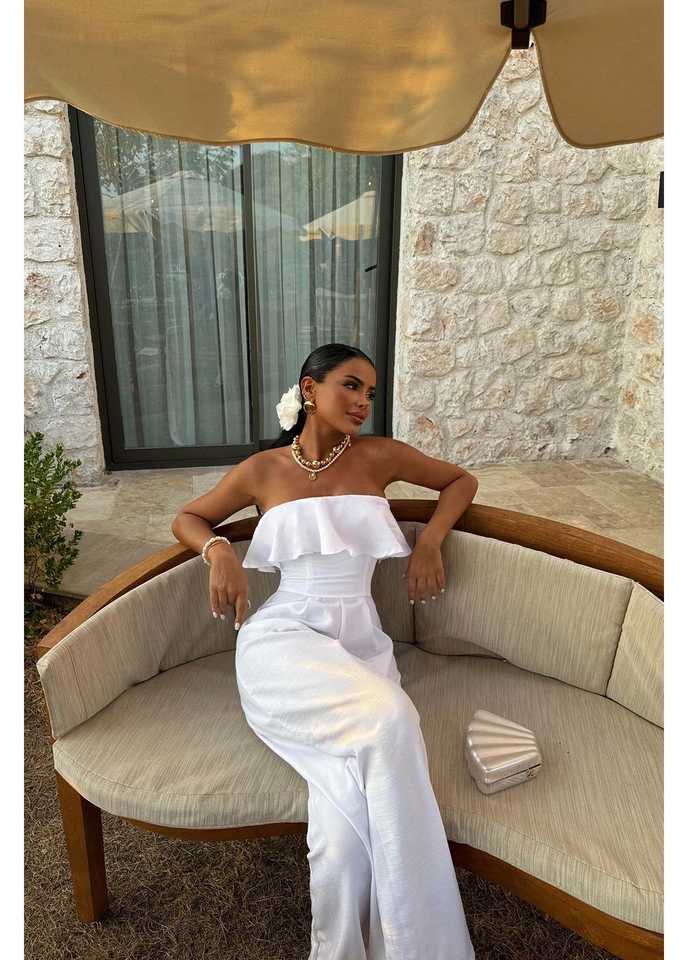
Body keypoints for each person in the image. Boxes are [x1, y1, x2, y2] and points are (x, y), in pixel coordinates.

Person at [170, 342, 478, 960]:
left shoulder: (379, 456)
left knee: (338, 845)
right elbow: (189, 518)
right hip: (283, 639)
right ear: (310, 390)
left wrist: (430, 543)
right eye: (351, 385)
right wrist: (219, 550)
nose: (364, 401)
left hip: (360, 648)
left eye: (370, 392)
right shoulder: (262, 470)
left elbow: (460, 481)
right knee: (393, 716)